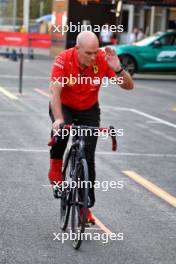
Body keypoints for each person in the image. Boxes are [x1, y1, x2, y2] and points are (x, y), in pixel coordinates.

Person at [48, 31, 134, 224]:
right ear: (77, 49)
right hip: (65, 105)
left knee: (88, 156)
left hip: (89, 108)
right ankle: (54, 169)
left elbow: (129, 86)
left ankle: (84, 207)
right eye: (88, 53)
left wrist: (119, 70)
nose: (94, 57)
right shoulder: (64, 59)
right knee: (61, 132)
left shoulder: (102, 60)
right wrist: (58, 119)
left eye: (96, 52)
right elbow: (55, 92)